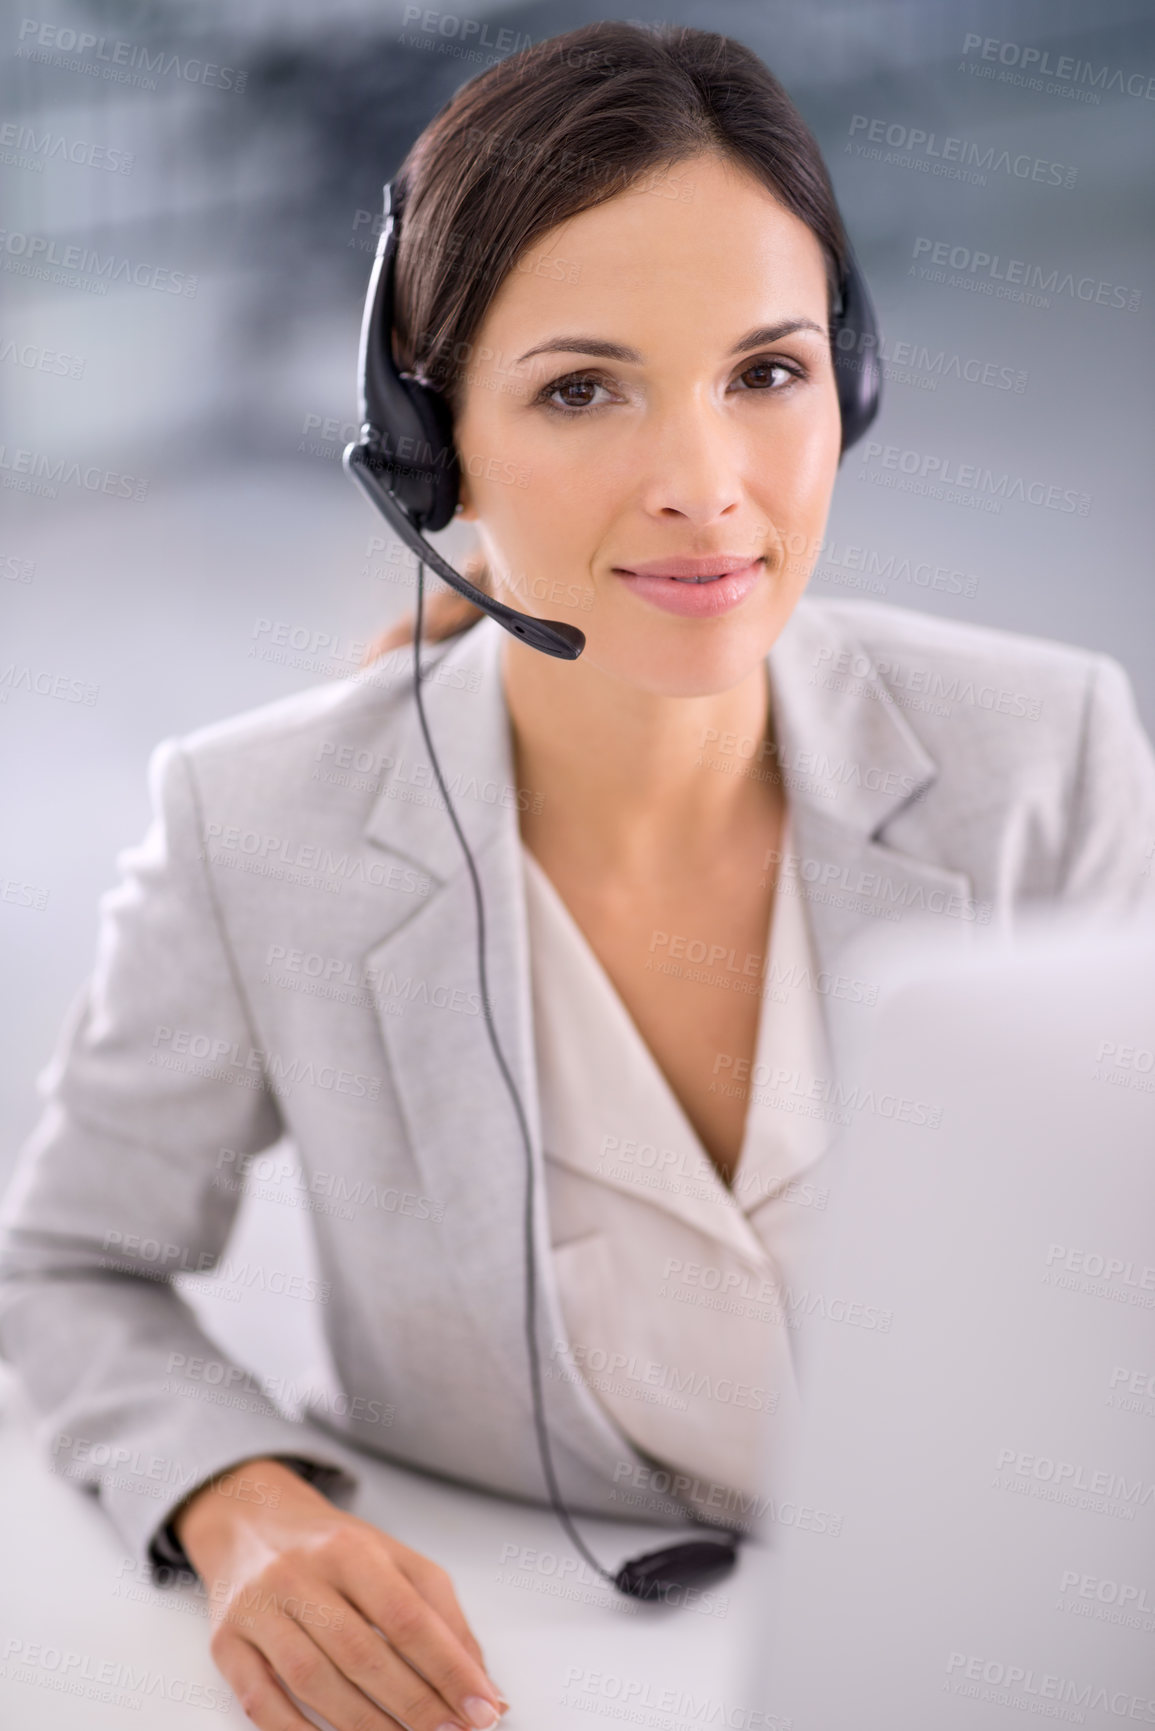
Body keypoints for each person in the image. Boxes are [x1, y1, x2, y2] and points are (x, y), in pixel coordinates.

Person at [3, 20, 1154, 1731]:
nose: (706, 490)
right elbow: (67, 1264)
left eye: (765, 372)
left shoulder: (1041, 753)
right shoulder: (264, 829)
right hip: (526, 1671)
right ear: (430, 443)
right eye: (580, 388)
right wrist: (242, 1513)